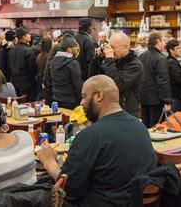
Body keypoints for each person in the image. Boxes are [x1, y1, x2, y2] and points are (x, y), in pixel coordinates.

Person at [38, 75, 157, 206]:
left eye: (84, 96)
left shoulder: (90, 135)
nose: (81, 103)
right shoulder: (140, 127)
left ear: (99, 95)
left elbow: (69, 190)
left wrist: (49, 162)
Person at [88, 32, 144, 118]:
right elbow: (93, 79)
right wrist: (97, 58)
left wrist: (109, 60)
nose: (110, 50)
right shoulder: (114, 61)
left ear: (126, 47)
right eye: (110, 47)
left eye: (113, 47)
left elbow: (118, 85)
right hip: (107, 109)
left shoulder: (135, 65)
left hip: (126, 112)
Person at [139, 32, 173, 128]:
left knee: (145, 126)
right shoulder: (160, 58)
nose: (165, 44)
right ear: (158, 41)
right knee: (156, 128)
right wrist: (167, 101)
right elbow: (163, 81)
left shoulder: (142, 56)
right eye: (163, 41)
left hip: (144, 98)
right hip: (156, 100)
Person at [45, 35, 82, 109]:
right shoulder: (73, 64)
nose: (77, 49)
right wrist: (80, 100)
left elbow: (48, 82)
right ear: (69, 49)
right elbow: (77, 85)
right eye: (75, 47)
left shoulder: (51, 62)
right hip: (71, 101)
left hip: (56, 100)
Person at [8, 28, 38, 101]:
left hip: (14, 82)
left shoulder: (11, 50)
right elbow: (33, 69)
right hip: (27, 83)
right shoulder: (28, 51)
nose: (30, 35)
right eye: (28, 34)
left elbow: (8, 68)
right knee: (28, 104)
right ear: (23, 37)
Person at [166, 39, 181, 112]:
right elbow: (177, 79)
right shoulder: (172, 62)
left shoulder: (170, 61)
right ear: (171, 50)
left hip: (173, 94)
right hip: (175, 95)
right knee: (175, 118)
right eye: (177, 48)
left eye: (180, 48)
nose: (180, 50)